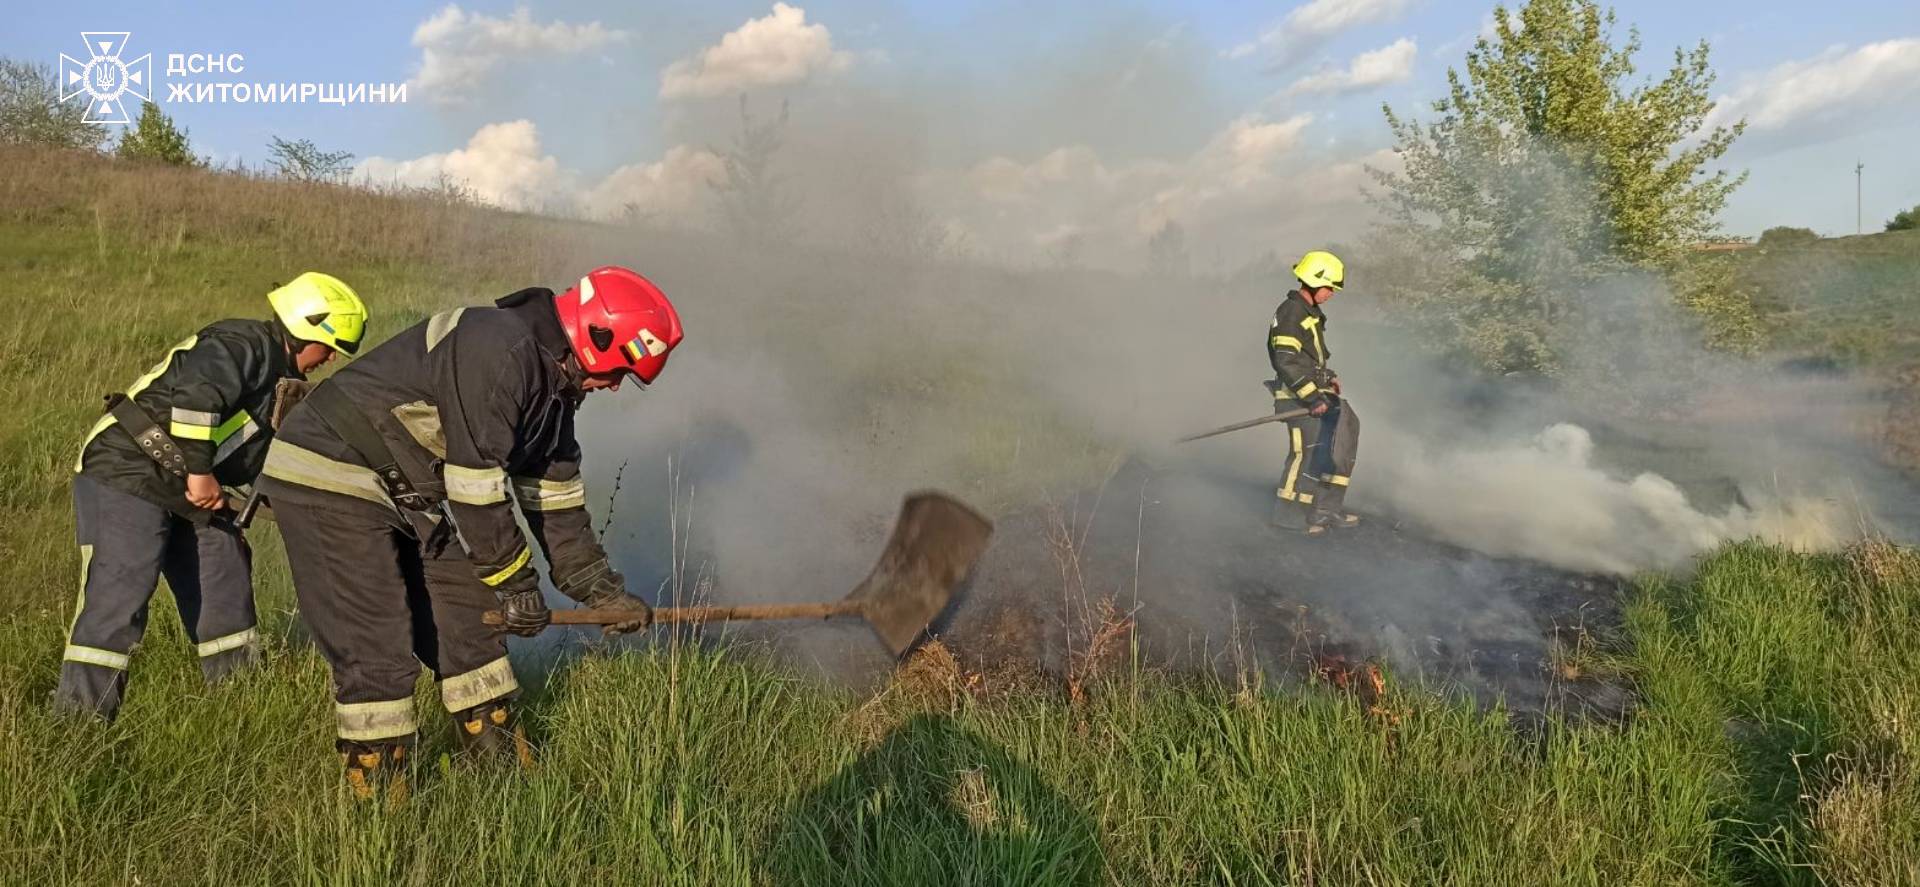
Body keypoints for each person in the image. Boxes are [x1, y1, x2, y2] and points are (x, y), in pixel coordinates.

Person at [256, 265, 680, 799]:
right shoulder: (500, 350)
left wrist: (602, 591)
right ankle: (379, 800)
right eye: (621, 370)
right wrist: (517, 585)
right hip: (328, 474)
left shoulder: (555, 391)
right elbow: (475, 489)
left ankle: (497, 763)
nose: (617, 385)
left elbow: (556, 504)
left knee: (465, 607)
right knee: (376, 636)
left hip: (399, 492)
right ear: (595, 337)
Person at [57, 272, 368, 719]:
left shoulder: (284, 383)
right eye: (331, 345)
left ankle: (239, 708)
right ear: (307, 328)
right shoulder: (239, 341)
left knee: (225, 579)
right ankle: (79, 723)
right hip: (127, 469)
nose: (332, 358)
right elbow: (197, 397)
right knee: (120, 591)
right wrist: (202, 474)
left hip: (191, 488)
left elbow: (261, 459)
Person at [1266, 250, 1361, 536]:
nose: (1331, 293)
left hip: (1315, 396)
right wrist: (1311, 397)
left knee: (1335, 447)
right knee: (1303, 455)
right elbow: (1285, 359)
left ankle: (1324, 511)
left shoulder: (1311, 315)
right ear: (1313, 280)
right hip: (1297, 399)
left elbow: (1308, 359)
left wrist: (1327, 379)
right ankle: (1288, 518)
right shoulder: (1292, 312)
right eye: (1329, 286)